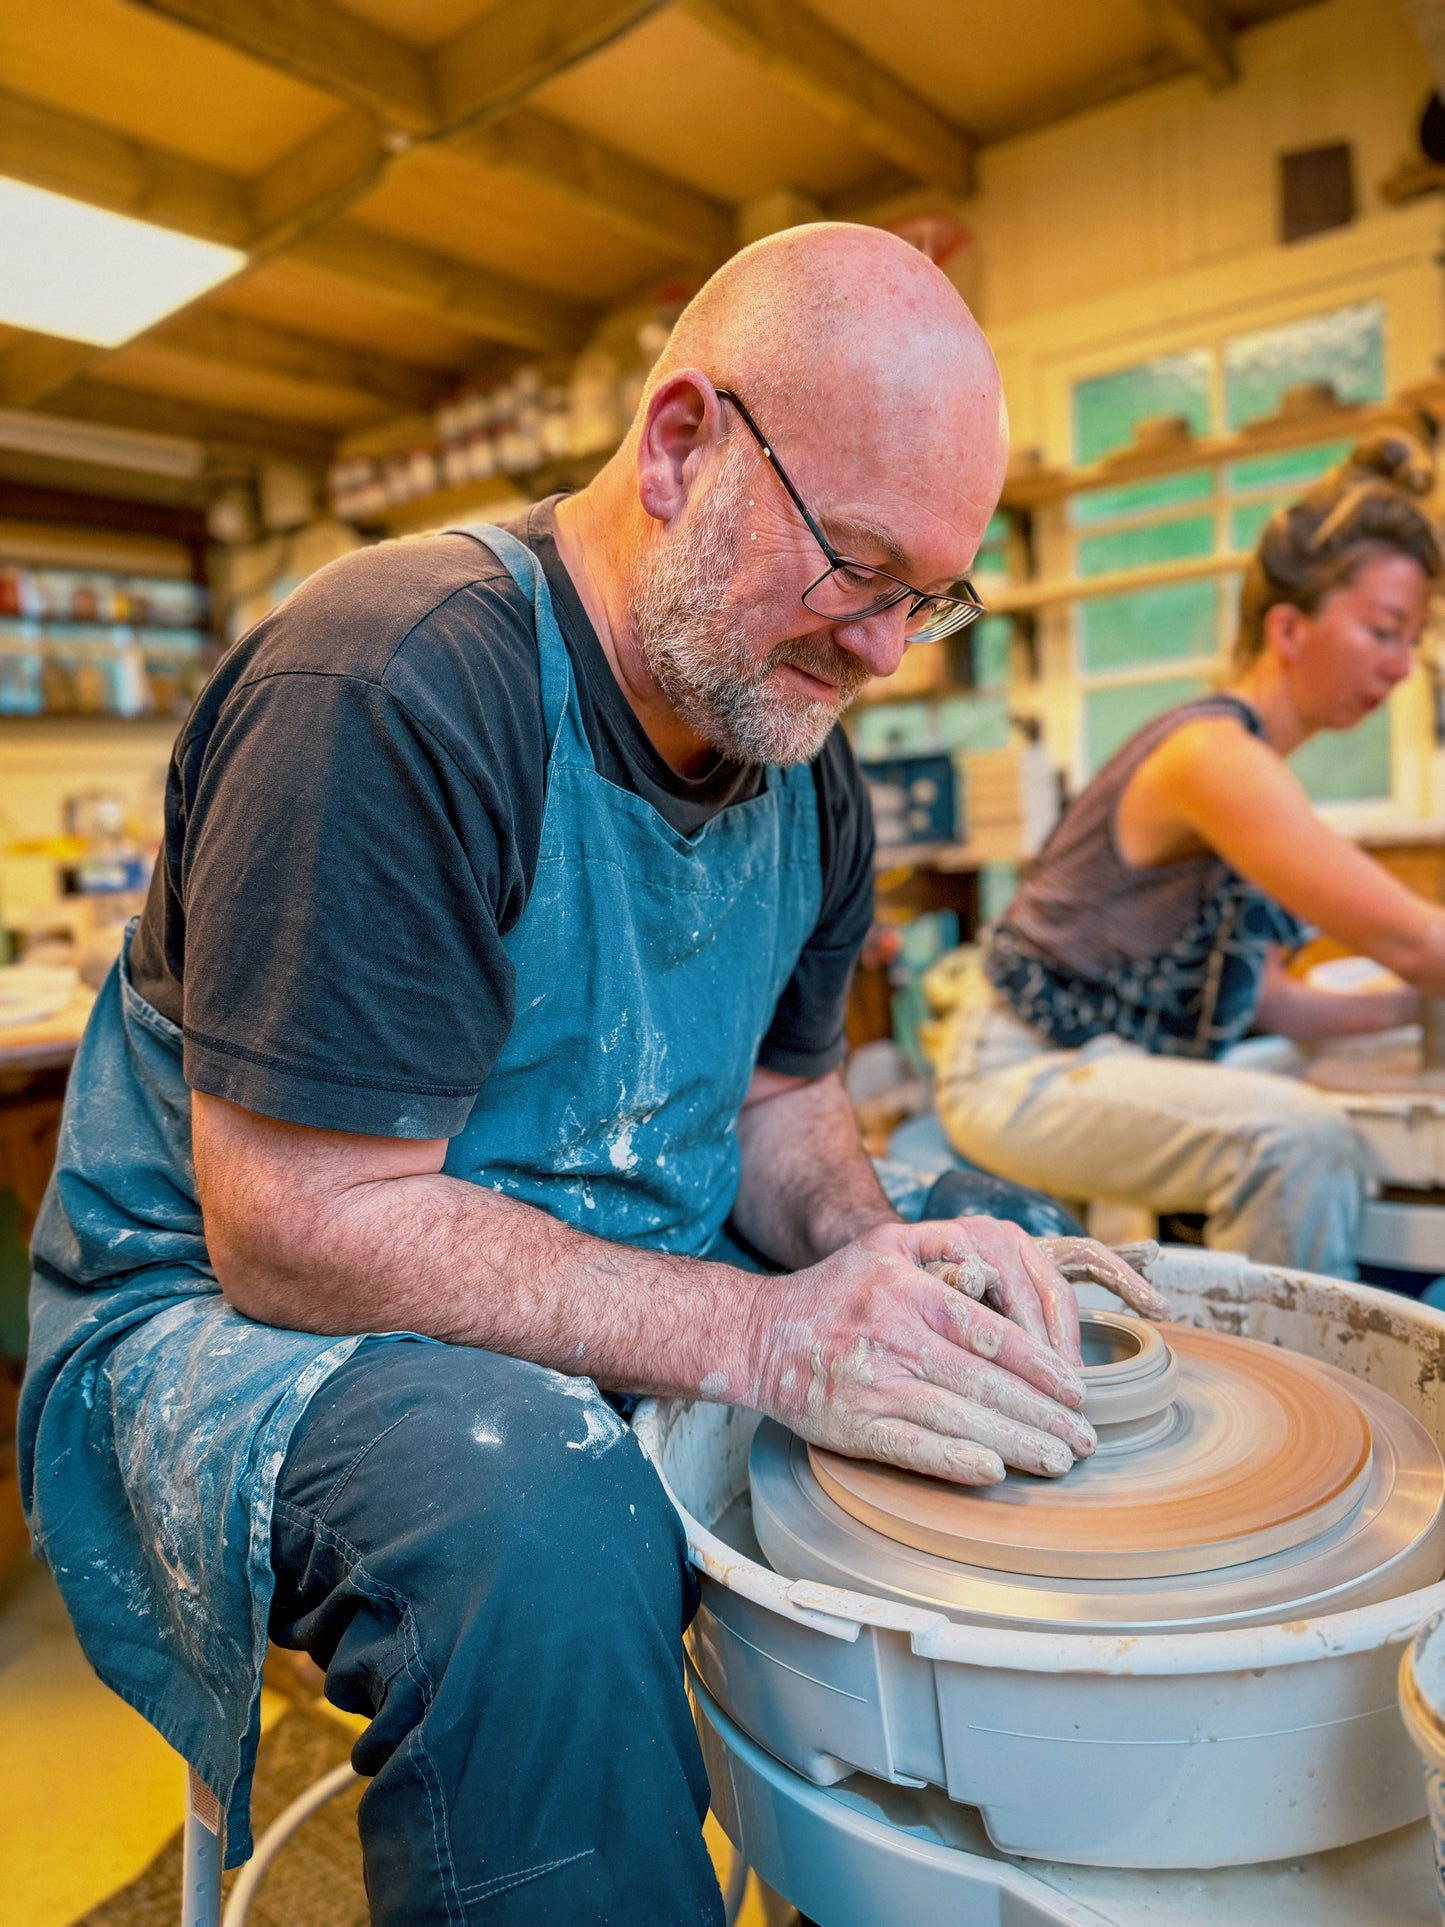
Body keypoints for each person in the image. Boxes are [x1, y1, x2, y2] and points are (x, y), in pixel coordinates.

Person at [19, 224, 1160, 1926]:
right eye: (858, 568)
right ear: (682, 443)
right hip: (233, 1313)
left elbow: (780, 1106)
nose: (885, 654)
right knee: (542, 1513)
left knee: (1001, 1259)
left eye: (928, 597)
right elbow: (295, 1222)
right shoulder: (392, 681)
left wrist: (876, 1260)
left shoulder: (801, 756)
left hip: (603, 1223)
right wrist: (771, 1334)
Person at [934, 431, 1444, 1279]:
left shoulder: (1251, 764)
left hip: (1098, 1059)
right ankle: (1289, 1363)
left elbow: (1271, 1004)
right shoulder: (1212, 756)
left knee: (1302, 1090)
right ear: (1288, 628)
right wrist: (1421, 977)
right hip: (1020, 1066)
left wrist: (1411, 1014)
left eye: (1411, 639)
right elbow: (1414, 942)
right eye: (1384, 632)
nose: (1401, 666)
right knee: (1298, 1137)